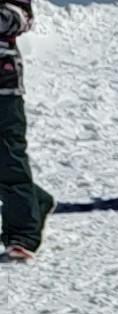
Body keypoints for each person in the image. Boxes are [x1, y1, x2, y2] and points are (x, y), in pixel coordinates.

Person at [0, 0, 50, 263]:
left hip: (3, 85)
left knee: (9, 157)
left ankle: (22, 234)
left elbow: (21, 17)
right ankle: (33, 201)